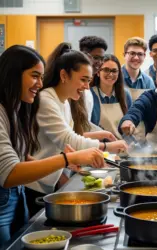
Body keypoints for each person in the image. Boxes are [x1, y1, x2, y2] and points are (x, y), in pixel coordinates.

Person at [0, 45, 104, 246]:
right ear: (13, 74)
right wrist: (66, 159)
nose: (40, 84)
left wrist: (61, 163)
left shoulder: (14, 110)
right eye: (34, 76)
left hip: (17, 198)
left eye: (41, 76)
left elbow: (23, 158)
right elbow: (9, 174)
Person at [25, 43, 128, 215]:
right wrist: (106, 146)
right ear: (64, 75)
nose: (87, 87)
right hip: (34, 183)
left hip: (48, 180)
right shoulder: (46, 99)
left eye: (89, 81)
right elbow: (67, 138)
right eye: (83, 80)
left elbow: (67, 140)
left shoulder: (64, 101)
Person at [91, 54, 132, 139]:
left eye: (114, 71)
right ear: (98, 72)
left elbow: (130, 123)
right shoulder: (90, 94)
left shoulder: (125, 94)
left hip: (122, 147)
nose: (110, 74)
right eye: (106, 70)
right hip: (98, 147)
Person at [79, 36, 108, 121]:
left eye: (102, 59)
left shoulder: (97, 83)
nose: (99, 62)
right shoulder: (74, 84)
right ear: (83, 56)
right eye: (95, 58)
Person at [122, 37, 155, 101]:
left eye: (140, 54)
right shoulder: (114, 77)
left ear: (144, 56)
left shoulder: (148, 81)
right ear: (124, 55)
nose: (136, 58)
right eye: (132, 53)